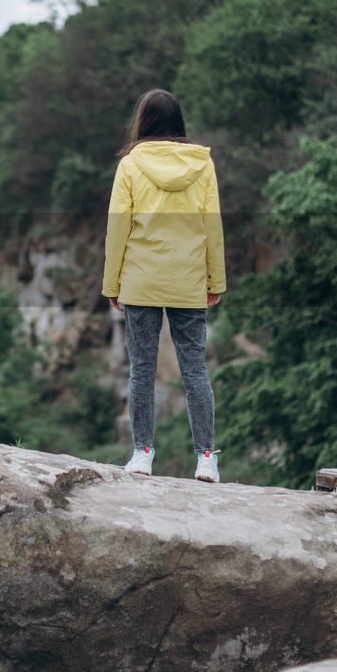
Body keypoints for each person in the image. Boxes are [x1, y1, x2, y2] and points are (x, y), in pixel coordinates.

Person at [102, 89, 226, 482]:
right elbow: (213, 226)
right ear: (178, 122)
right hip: (188, 279)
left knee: (141, 370)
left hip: (140, 280)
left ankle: (142, 454)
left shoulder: (131, 165)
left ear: (143, 122)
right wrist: (215, 279)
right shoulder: (202, 164)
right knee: (195, 371)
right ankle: (206, 457)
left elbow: (118, 227)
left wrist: (112, 284)